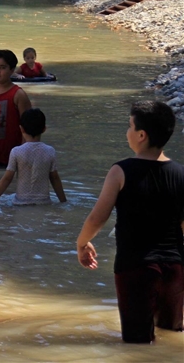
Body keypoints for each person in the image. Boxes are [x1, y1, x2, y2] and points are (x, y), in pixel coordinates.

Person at [76, 100, 184, 343]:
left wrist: (82, 243)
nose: (127, 131)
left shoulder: (120, 171)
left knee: (137, 344)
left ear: (141, 135)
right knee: (171, 336)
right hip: (175, 268)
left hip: (136, 268)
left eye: (129, 126)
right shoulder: (181, 174)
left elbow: (98, 217)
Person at [0, 108, 66, 204]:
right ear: (44, 129)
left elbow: (7, 178)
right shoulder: (50, 151)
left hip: (20, 202)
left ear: (21, 128)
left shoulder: (16, 151)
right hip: (44, 202)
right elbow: (55, 178)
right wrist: (63, 201)